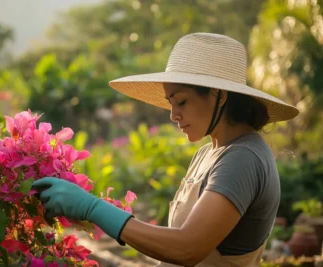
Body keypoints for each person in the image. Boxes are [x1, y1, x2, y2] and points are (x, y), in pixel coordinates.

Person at [32, 33, 299, 267]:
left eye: (181, 101)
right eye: (170, 103)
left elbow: (188, 248)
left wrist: (92, 208)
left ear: (220, 95)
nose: (173, 115)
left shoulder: (243, 158)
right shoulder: (208, 153)